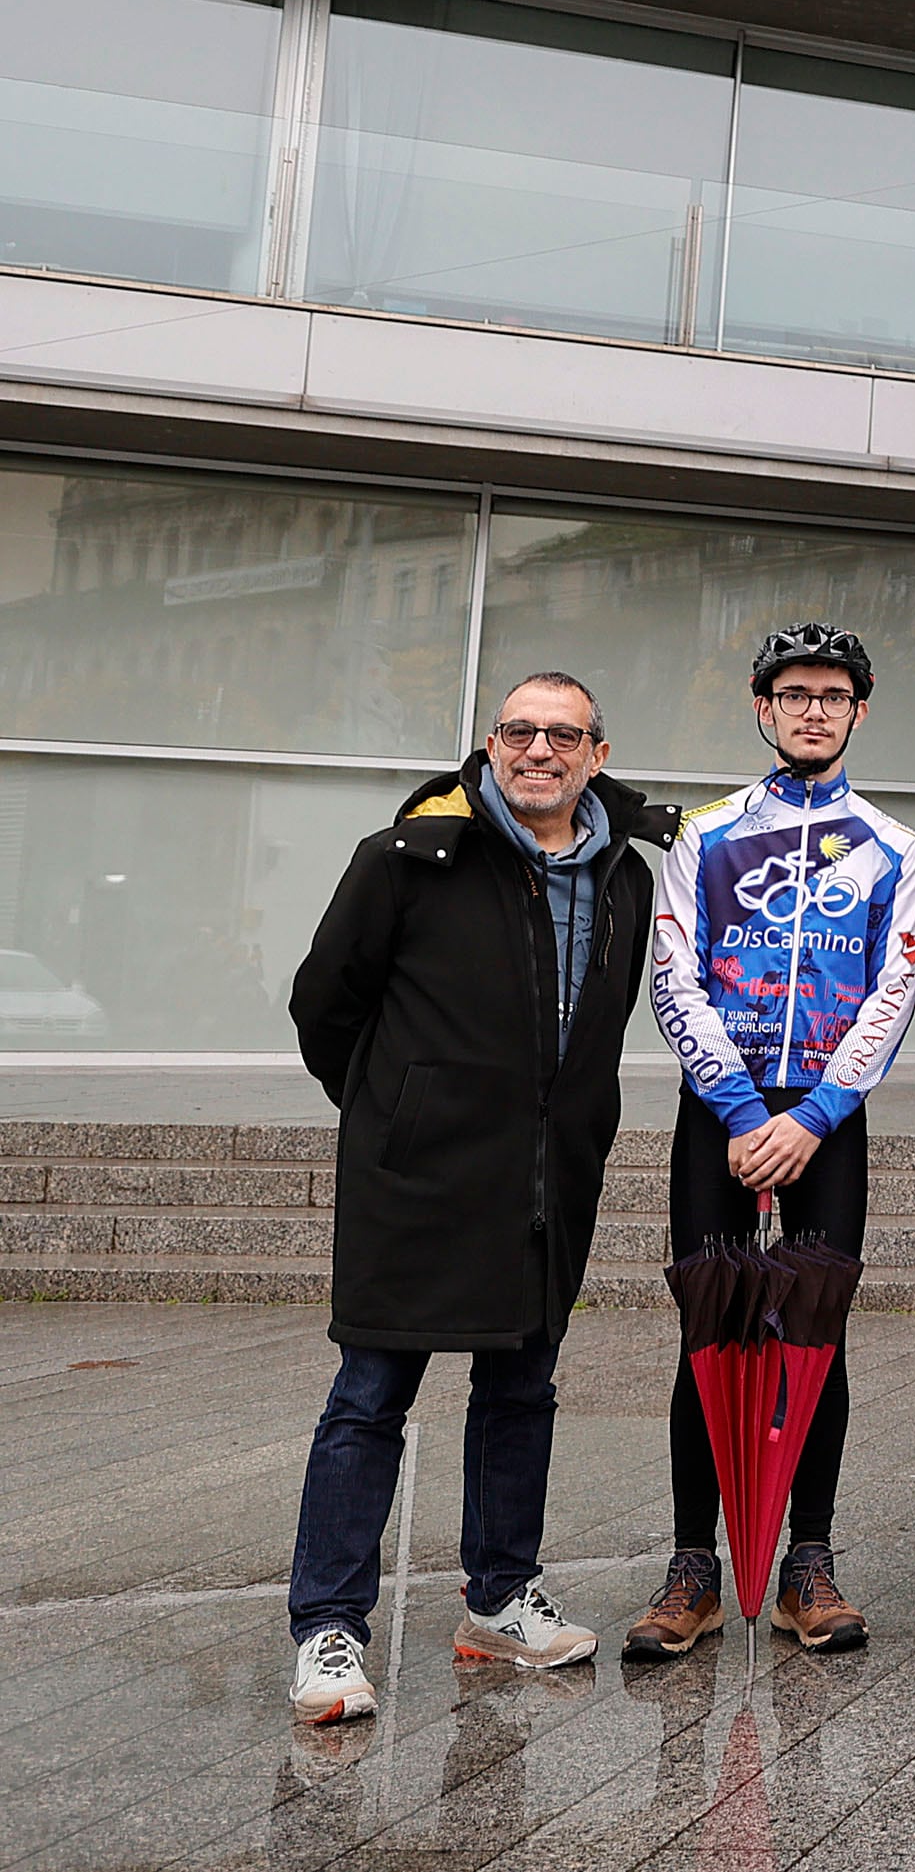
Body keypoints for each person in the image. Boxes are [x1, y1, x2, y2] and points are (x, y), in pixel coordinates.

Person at [283, 674, 681, 1722]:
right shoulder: (409, 858)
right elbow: (325, 1002)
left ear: (598, 753)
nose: (538, 748)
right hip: (416, 1177)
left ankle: (500, 1597)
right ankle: (329, 1628)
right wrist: (393, 1110)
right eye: (519, 730)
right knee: (370, 1397)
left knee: (523, 1388)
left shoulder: (627, 877)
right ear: (491, 744)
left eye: (563, 734)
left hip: (548, 1180)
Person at [624, 625, 915, 1663]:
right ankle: (692, 1567)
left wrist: (810, 1116)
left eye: (833, 696)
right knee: (707, 1331)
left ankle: (809, 1561)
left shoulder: (894, 845)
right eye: (793, 693)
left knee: (815, 1335)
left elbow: (896, 990)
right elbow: (674, 975)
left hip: (827, 1115)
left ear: (860, 711)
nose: (812, 710)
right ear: (762, 706)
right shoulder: (704, 836)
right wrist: (747, 1113)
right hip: (723, 1106)